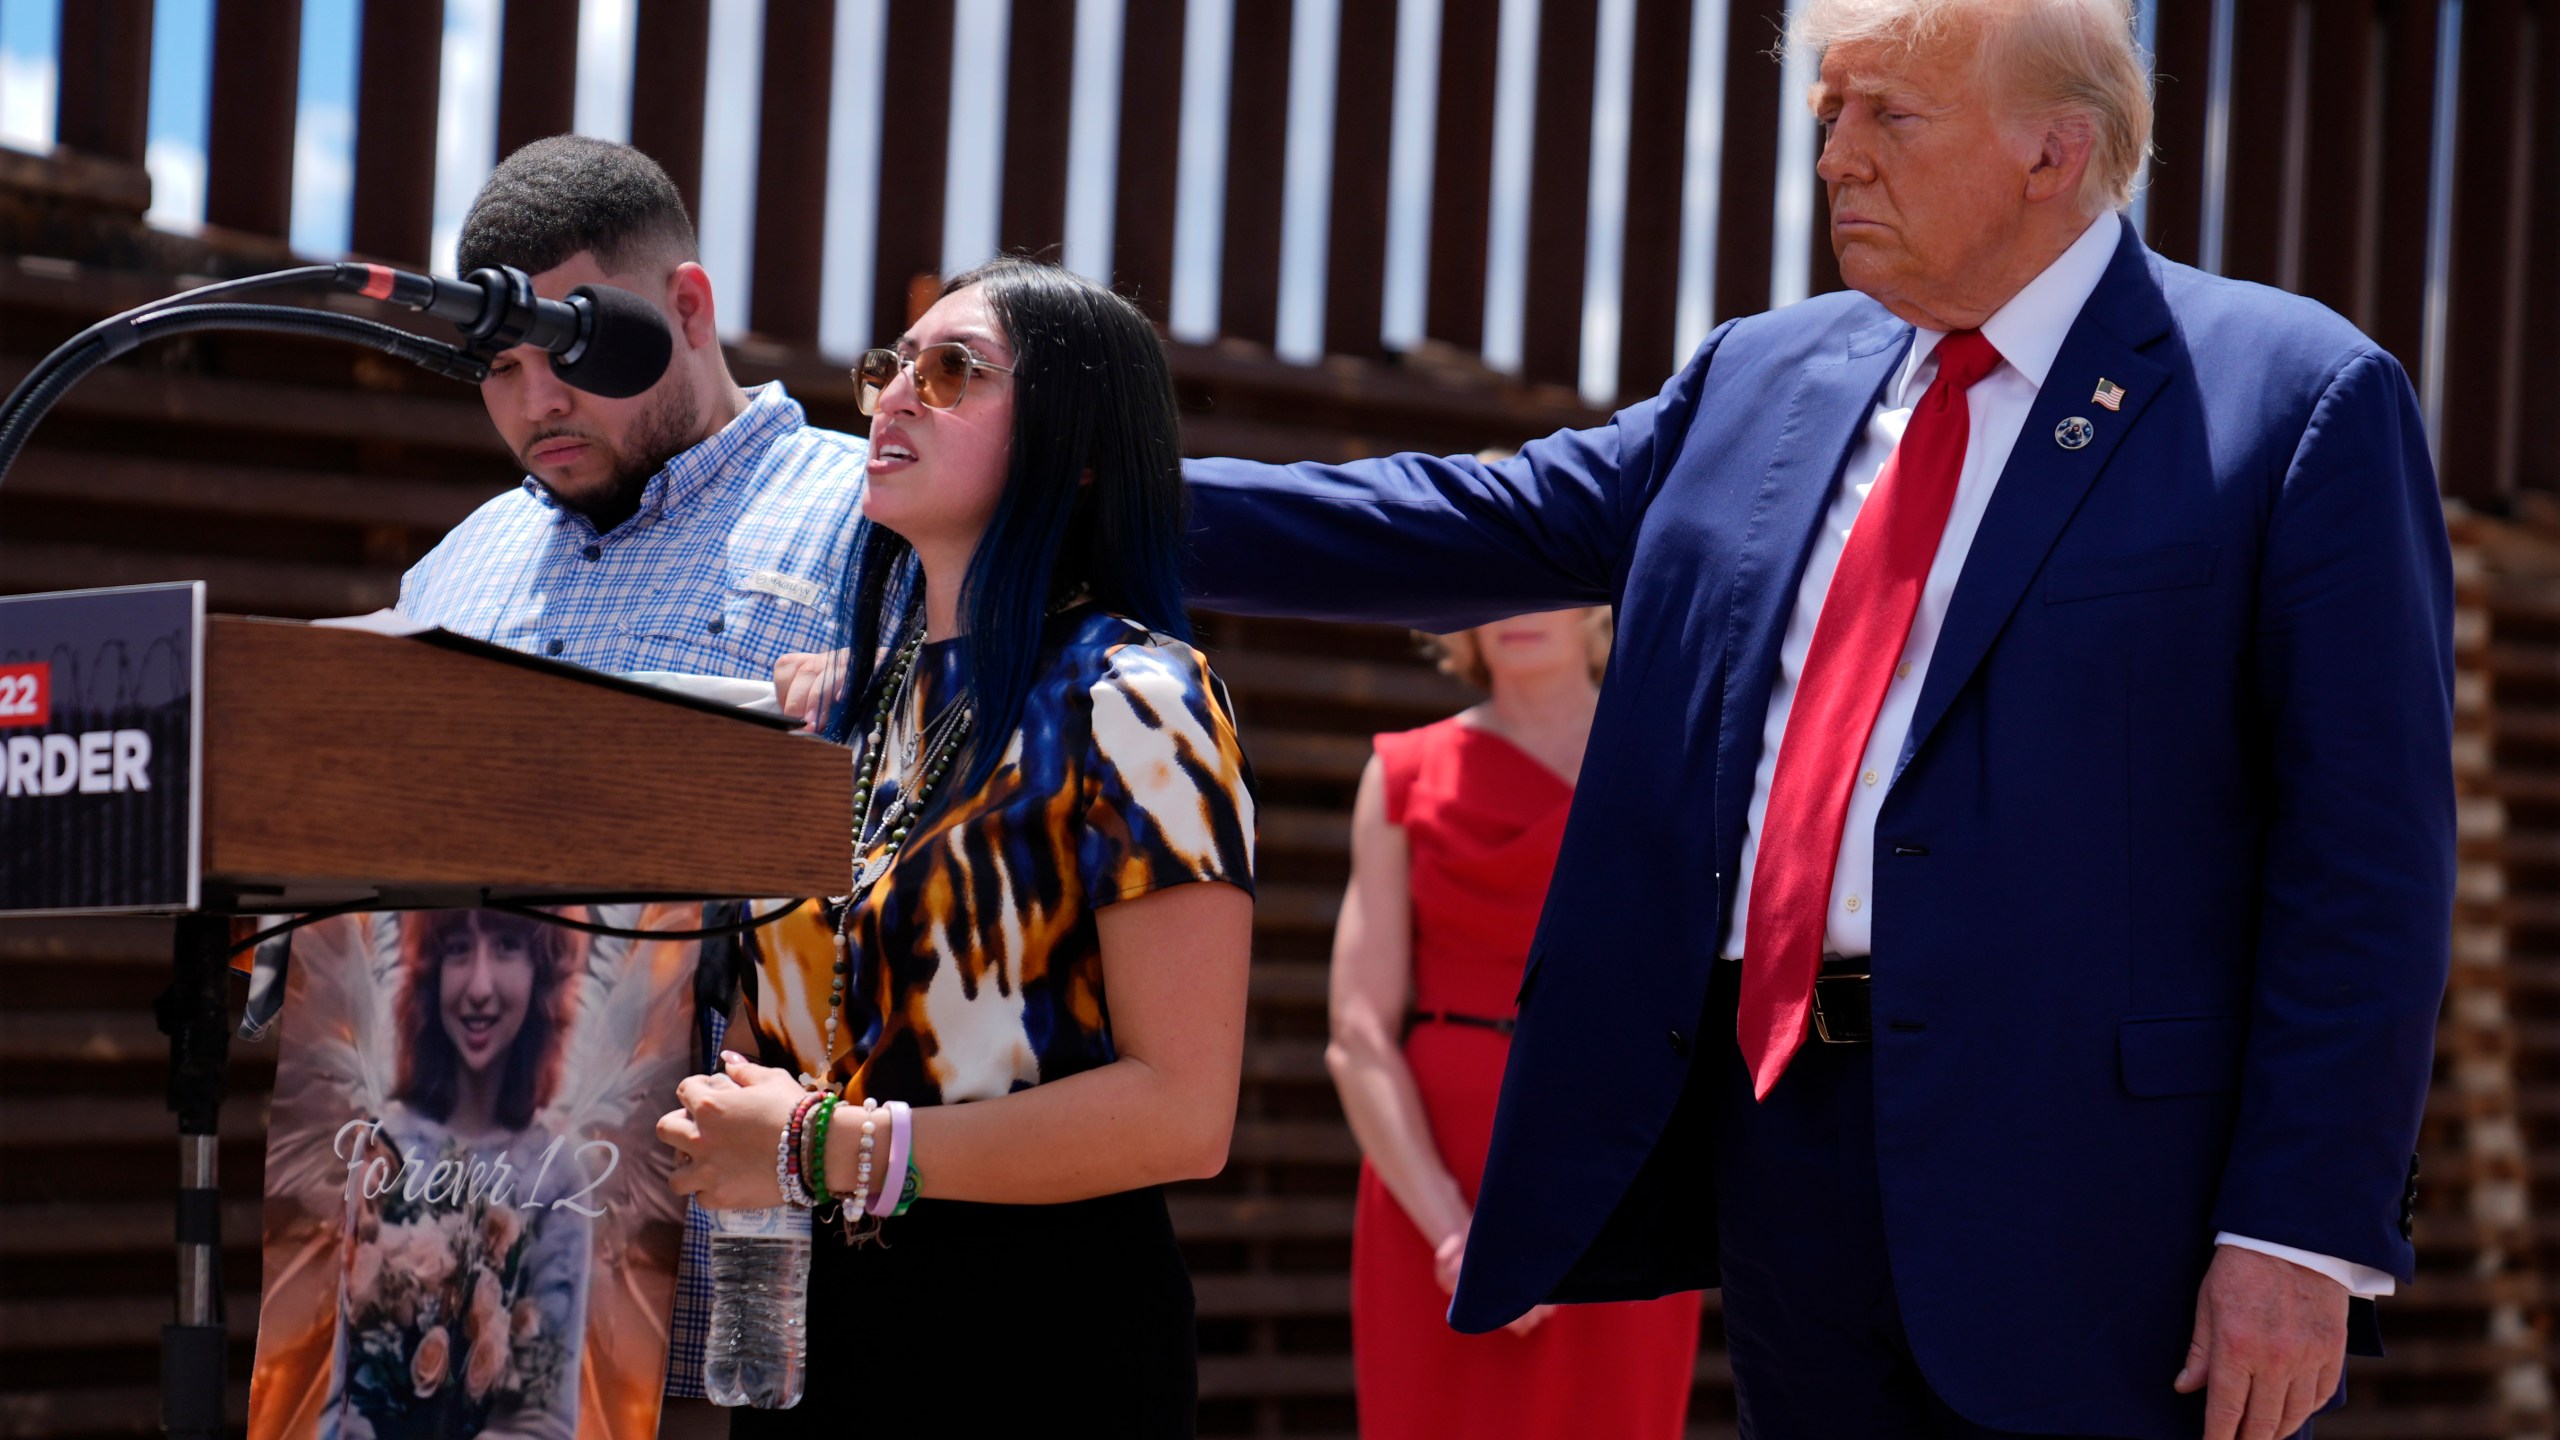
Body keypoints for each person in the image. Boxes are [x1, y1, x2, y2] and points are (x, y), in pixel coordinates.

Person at [1178, 2, 2455, 1436]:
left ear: (2056, 147)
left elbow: (2372, 862)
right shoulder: (1759, 376)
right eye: (1828, 117)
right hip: (1784, 1150)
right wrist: (1093, 500)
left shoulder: (2295, 399)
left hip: (2110, 1206)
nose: (1837, 159)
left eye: (1888, 117)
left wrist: (2299, 1232)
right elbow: (1469, 520)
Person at [656, 256, 1257, 1436]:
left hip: (1042, 1347)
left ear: (1078, 448)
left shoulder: (1140, 696)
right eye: (891, 366)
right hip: (805, 1342)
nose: (892, 395)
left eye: (952, 371)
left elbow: (1185, 1113)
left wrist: (832, 1147)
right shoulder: (847, 712)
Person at [390, 135, 876, 1430]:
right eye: (500, 366)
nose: (537, 401)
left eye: (572, 350)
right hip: (475, 1291)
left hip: (757, 1299)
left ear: (691, 309)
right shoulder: (452, 575)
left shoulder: (872, 526)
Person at [1334, 608, 1701, 1438]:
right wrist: (1455, 1237)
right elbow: (1356, 1031)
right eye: (1491, 588)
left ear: (1593, 609)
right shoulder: (1403, 772)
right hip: (1435, 1183)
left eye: (1540, 584)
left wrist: (1593, 1216)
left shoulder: (1666, 761)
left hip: (1618, 1181)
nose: (1516, 610)